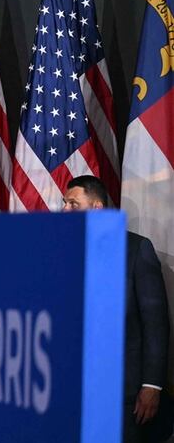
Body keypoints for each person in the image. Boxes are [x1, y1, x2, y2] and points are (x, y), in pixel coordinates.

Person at [63, 175, 172, 443]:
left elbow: (155, 323)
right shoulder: (61, 253)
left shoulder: (135, 249)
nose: (65, 210)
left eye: (73, 204)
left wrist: (152, 385)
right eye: (64, 203)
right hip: (73, 393)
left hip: (124, 395)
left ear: (96, 207)